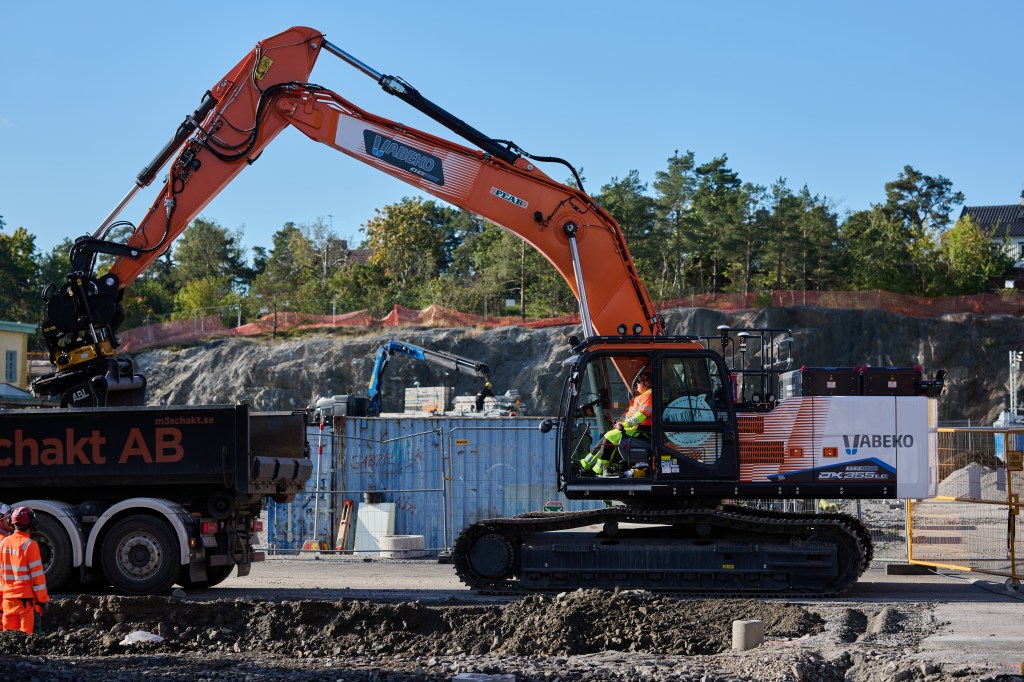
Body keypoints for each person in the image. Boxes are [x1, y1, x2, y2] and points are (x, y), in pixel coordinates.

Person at [580, 370, 653, 475]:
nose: (636, 384)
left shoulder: (648, 396)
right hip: (634, 430)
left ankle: (596, 469)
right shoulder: (642, 396)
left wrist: (623, 425)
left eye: (638, 381)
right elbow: (631, 414)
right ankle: (586, 465)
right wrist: (620, 422)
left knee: (610, 436)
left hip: (640, 432)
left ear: (647, 383)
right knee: (608, 436)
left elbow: (641, 415)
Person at [1, 506, 49, 635]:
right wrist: (43, 599)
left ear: (12, 522)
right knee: (28, 639)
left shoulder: (3, 543)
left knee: (9, 640)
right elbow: (37, 576)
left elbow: (1, 574)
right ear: (32, 523)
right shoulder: (30, 544)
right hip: (26, 601)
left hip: (8, 600)